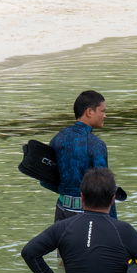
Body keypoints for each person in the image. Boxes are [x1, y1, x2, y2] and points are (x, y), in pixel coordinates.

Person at [49, 90, 111, 221]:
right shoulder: (96, 144)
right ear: (89, 112)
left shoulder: (58, 138)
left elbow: (46, 179)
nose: (105, 115)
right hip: (86, 215)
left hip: (61, 209)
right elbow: (104, 189)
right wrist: (113, 223)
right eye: (102, 111)